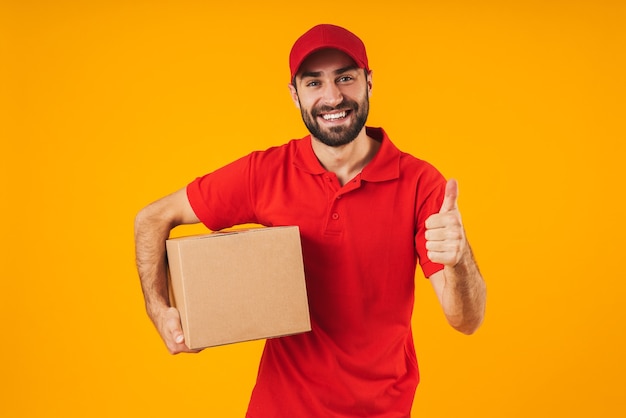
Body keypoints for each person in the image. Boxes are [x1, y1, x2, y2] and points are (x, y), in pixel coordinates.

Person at [134, 24, 486, 418]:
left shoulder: (421, 183)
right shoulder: (265, 173)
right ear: (294, 94)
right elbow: (153, 218)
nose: (333, 96)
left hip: (382, 409)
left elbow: (465, 320)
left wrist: (458, 262)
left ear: (369, 82)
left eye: (346, 78)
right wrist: (159, 310)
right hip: (280, 408)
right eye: (314, 82)